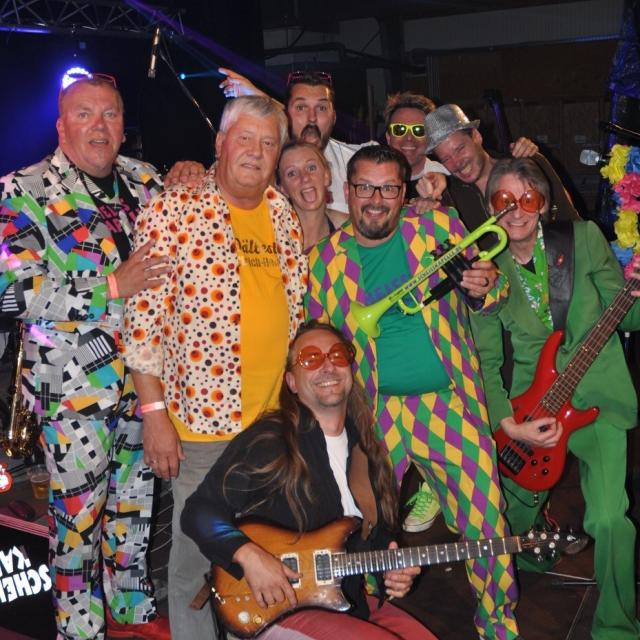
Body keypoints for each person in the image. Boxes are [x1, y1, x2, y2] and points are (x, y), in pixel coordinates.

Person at [306, 144, 520, 639]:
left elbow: (492, 294)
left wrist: (486, 286)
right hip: (372, 411)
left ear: (403, 193)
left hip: (448, 403)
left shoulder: (439, 228)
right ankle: (371, 621)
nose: (376, 199)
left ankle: (498, 625)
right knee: (363, 526)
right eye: (365, 187)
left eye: (388, 188)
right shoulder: (322, 263)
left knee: (487, 519)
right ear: (347, 191)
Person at [122, 95, 307, 640]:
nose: (256, 151)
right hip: (203, 427)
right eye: (244, 138)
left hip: (273, 422)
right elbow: (142, 324)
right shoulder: (172, 209)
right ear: (221, 143)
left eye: (268, 143)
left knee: (265, 550)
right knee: (194, 566)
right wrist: (154, 413)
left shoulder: (281, 212)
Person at [0, 74, 171, 639]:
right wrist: (111, 287)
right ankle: (79, 630)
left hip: (147, 384)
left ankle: (132, 615)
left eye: (110, 114)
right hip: (74, 393)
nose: (99, 126)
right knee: (78, 524)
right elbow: (11, 290)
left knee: (135, 509)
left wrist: (195, 171)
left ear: (124, 126)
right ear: (60, 125)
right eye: (84, 114)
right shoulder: (22, 189)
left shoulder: (146, 181)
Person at [470, 158, 640, 640]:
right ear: (490, 208)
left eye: (527, 199)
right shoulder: (485, 272)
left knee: (609, 519)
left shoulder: (583, 239)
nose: (516, 211)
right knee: (511, 518)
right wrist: (508, 424)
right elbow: (485, 359)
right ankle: (532, 555)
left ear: (543, 204)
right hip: (532, 414)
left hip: (598, 400)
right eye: (504, 200)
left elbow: (628, 317)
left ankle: (617, 627)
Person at [181, 321, 437, 640]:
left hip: (342, 603)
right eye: (310, 358)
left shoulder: (365, 451)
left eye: (338, 355)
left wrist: (392, 567)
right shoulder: (270, 440)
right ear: (291, 382)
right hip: (279, 610)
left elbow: (371, 536)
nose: (327, 365)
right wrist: (248, 555)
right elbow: (199, 510)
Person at [424, 103, 579, 235]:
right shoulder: (449, 196)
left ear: (476, 136)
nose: (457, 162)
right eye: (446, 159)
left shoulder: (529, 163)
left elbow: (573, 223)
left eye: (459, 149)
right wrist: (425, 203)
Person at [277, 140, 348, 250]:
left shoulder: (349, 231)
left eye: (311, 168)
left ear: (326, 176)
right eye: (292, 173)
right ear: (283, 189)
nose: (305, 177)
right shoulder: (270, 237)